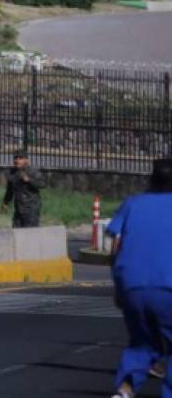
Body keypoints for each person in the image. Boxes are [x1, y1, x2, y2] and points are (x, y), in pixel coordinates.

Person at [106, 158, 172, 398]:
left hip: (132, 284)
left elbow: (115, 245)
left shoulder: (132, 204)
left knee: (142, 341)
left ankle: (126, 389)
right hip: (168, 285)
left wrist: (118, 286)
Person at [1, 152, 46, 228]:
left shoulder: (32, 171)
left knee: (30, 233)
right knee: (16, 231)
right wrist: (5, 202)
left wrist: (29, 180)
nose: (17, 160)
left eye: (20, 158)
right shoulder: (12, 173)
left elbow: (43, 184)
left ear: (26, 160)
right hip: (18, 208)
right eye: (15, 158)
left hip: (31, 208)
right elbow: (9, 190)